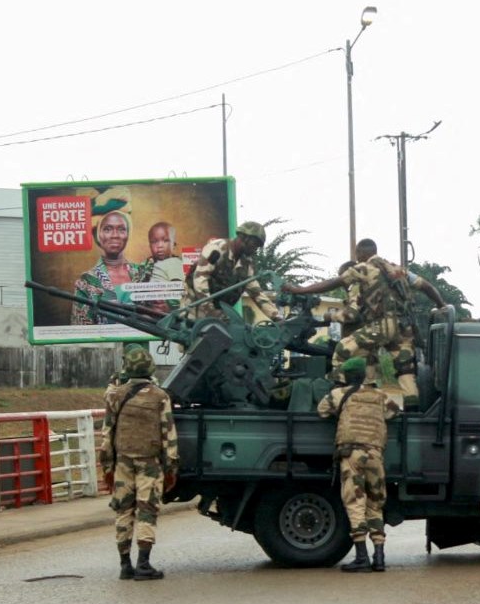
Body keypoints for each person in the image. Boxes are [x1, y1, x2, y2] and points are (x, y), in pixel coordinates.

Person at [284, 238, 448, 404]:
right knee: (405, 371)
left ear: (360, 253)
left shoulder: (363, 268)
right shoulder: (399, 270)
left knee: (342, 350)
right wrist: (442, 305)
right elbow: (427, 286)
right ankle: (411, 415)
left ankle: (337, 398)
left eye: (357, 255)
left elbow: (333, 282)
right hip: (404, 329)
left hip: (382, 325)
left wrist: (299, 290)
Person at [99, 348, 179, 581]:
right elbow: (168, 434)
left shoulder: (115, 395)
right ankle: (144, 564)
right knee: (147, 511)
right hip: (150, 463)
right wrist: (172, 466)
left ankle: (125, 565)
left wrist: (107, 468)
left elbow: (107, 435)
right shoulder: (160, 397)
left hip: (123, 461)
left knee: (123, 510)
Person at [318, 356, 401, 572]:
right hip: (375, 456)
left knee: (355, 502)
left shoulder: (339, 394)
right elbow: (395, 412)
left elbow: (322, 410)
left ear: (345, 376)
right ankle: (379, 558)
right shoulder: (380, 395)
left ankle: (361, 557)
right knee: (375, 504)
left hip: (352, 455)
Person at [182, 220, 283, 325]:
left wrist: (275, 316)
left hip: (217, 313)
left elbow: (255, 292)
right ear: (244, 237)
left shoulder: (246, 263)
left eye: (258, 246)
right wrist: (210, 310)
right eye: (254, 243)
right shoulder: (217, 248)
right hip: (195, 308)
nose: (255, 248)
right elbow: (200, 278)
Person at [72, 210, 140, 325]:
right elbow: (80, 332)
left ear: (128, 235)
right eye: (107, 229)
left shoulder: (141, 273)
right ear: (99, 236)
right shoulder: (87, 282)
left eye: (121, 229)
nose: (115, 235)